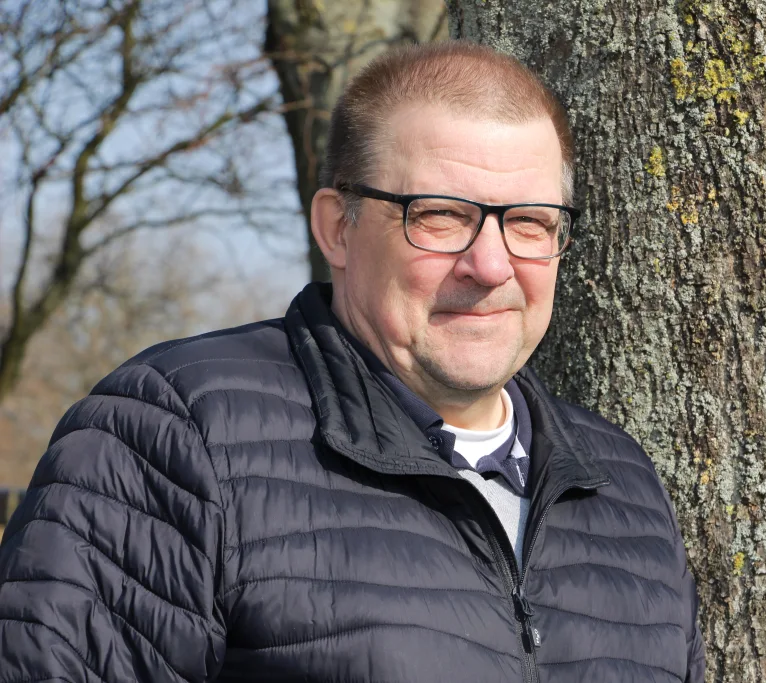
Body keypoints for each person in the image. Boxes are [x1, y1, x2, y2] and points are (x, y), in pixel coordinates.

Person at [0, 42, 705, 682]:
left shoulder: (625, 490)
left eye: (528, 222)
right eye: (440, 215)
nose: (491, 265)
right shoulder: (172, 437)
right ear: (338, 228)